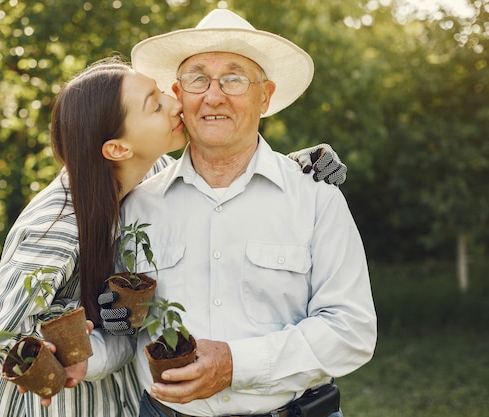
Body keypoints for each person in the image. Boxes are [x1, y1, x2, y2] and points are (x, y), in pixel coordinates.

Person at [0, 56, 347, 417]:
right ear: (117, 148)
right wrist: (50, 359)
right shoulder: (59, 226)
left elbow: (225, 168)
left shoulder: (148, 174)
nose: (174, 102)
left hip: (122, 396)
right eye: (154, 104)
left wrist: (294, 170)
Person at [101, 9, 377, 417]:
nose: (214, 96)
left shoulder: (316, 197)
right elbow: (123, 335)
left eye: (233, 78)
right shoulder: (136, 207)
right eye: (198, 78)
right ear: (179, 94)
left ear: (264, 96)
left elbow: (351, 331)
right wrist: (111, 324)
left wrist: (236, 364)